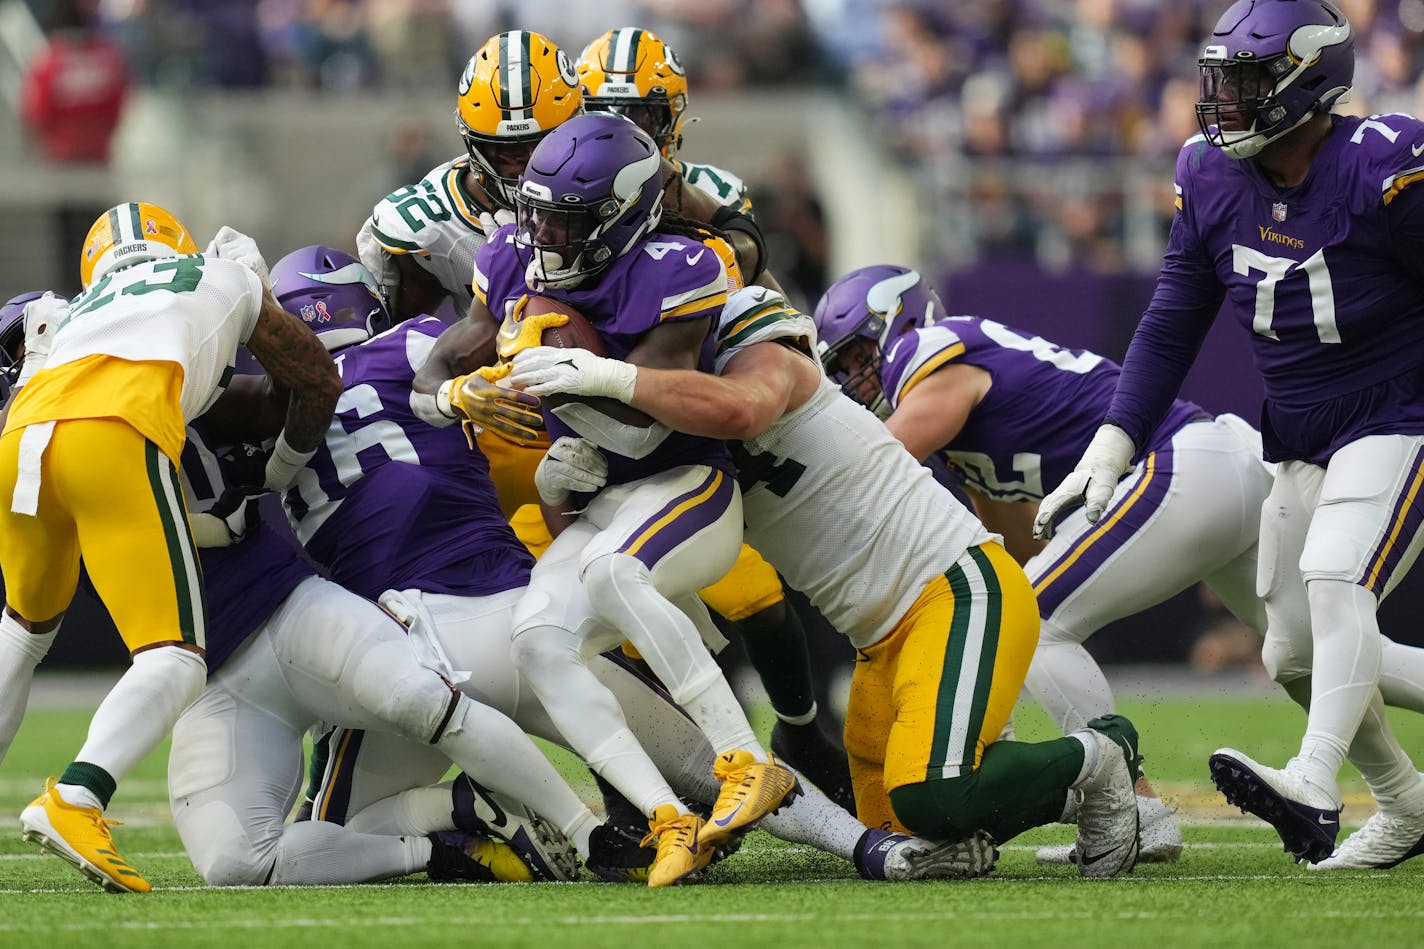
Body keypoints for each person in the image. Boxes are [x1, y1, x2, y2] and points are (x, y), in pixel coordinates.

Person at [270, 246, 988, 886]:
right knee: (699, 752)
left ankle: (489, 811)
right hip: (509, 603)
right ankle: (861, 846)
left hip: (401, 647)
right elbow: (530, 399)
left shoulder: (267, 408)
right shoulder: (422, 339)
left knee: (323, 831)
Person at [505, 286, 1145, 878]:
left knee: (933, 796)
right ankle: (1036, 797)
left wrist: (620, 378)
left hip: (956, 586)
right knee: (898, 828)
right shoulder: (657, 428)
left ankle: (1103, 753)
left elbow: (741, 409)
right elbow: (618, 525)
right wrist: (559, 485)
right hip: (879, 639)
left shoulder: (752, 352)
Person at [1035, 0, 1424, 870]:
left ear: (1308, 79)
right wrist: (1114, 443)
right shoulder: (1209, 174)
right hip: (1298, 433)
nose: (1225, 102)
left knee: (1335, 579)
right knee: (1293, 652)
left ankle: (1315, 783)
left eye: (1246, 83)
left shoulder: (1385, 165)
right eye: (1222, 82)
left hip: (1399, 412)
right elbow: (1172, 319)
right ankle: (1406, 803)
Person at [416, 112, 801, 886]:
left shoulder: (677, 267)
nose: (546, 237)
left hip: (687, 485)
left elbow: (643, 432)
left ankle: (749, 761)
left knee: (613, 573)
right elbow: (430, 375)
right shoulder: (511, 256)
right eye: (540, 215)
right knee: (538, 640)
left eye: (567, 222)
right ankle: (668, 818)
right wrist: (461, 394)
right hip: (606, 506)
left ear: (623, 216)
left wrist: (582, 380)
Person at [0, 204, 342, 892]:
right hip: (115, 428)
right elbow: (314, 378)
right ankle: (78, 799)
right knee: (176, 658)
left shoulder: (73, 307)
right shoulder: (223, 272)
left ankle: (75, 799)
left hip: (21, 435)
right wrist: (276, 469)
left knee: (21, 633)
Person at [577, 24, 849, 800]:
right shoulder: (555, 196)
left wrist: (674, 200)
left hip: (699, 416)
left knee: (770, 594)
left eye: (642, 112)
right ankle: (663, 774)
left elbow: (743, 253)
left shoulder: (708, 194)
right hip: (594, 428)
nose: (627, 128)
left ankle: (803, 726)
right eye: (608, 111)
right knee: (612, 614)